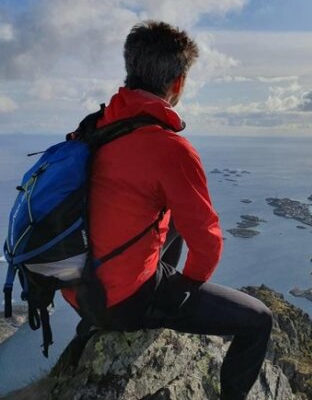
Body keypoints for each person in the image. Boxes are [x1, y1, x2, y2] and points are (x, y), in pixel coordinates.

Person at [60, 20, 273, 400]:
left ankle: (101, 323)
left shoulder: (93, 127)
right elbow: (207, 243)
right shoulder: (168, 148)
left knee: (169, 216)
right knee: (259, 320)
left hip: (78, 290)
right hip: (121, 304)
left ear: (131, 71)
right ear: (178, 83)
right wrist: (183, 289)